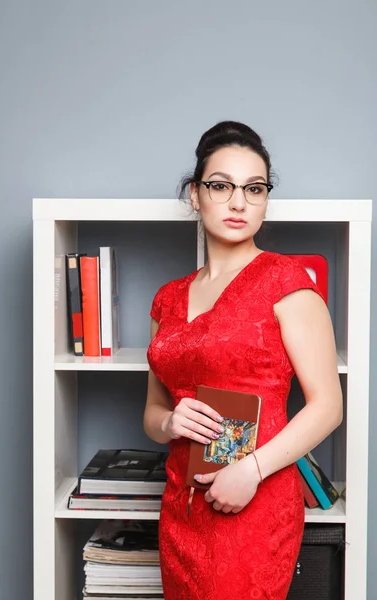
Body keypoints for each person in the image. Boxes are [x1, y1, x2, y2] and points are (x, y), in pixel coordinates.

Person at [143, 120, 343, 599]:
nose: (238, 202)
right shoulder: (168, 299)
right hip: (181, 503)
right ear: (195, 194)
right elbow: (151, 414)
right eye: (221, 186)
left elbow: (328, 406)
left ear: (265, 199)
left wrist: (249, 472)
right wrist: (170, 422)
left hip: (253, 498)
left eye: (254, 189)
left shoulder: (286, 281)